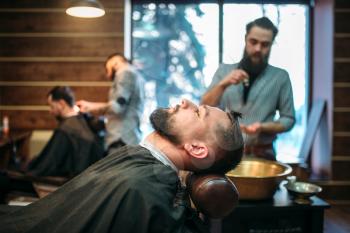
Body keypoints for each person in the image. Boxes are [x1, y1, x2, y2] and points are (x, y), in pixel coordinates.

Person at [0, 99, 244, 233]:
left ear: (197, 149)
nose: (185, 102)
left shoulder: (143, 191)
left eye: (198, 113)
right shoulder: (141, 167)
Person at [201, 17, 295, 161]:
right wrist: (223, 84)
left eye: (265, 45)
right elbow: (204, 107)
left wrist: (262, 127)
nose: (258, 49)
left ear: (271, 45)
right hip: (225, 153)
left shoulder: (281, 77)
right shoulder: (224, 70)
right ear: (245, 39)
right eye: (253, 42)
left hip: (263, 154)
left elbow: (288, 119)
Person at [26, 86, 105, 177]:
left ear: (62, 104)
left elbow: (47, 165)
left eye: (51, 106)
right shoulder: (86, 120)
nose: (50, 111)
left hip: (69, 184)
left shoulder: (65, 130)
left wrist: (31, 167)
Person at [77, 53, 145, 153]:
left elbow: (116, 107)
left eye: (107, 68)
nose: (107, 74)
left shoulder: (125, 73)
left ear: (114, 62)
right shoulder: (135, 75)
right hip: (128, 138)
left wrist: (90, 107)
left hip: (121, 138)